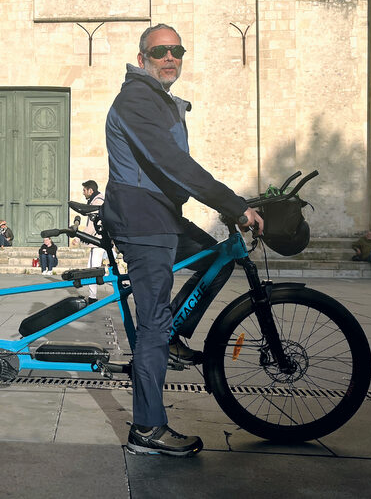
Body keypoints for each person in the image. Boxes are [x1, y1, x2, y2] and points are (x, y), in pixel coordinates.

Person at [101, 23, 263, 457]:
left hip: (163, 215)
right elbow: (174, 163)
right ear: (143, 60)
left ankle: (172, 337)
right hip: (142, 219)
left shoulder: (158, 100)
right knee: (152, 322)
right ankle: (147, 430)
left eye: (177, 50)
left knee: (219, 257)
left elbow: (176, 167)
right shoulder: (137, 99)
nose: (170, 57)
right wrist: (231, 204)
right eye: (160, 52)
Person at [81, 180, 106, 303]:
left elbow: (92, 224)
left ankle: (92, 297)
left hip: (97, 241)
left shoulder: (97, 202)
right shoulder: (96, 201)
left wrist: (80, 237)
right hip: (97, 241)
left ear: (90, 190)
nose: (83, 193)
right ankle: (92, 295)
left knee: (93, 268)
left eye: (84, 190)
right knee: (91, 268)